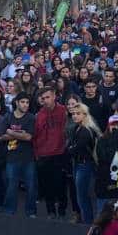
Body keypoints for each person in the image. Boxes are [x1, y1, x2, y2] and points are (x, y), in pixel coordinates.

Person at [33, 86, 68, 218]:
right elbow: (36, 136)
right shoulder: (39, 115)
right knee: (47, 185)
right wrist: (37, 154)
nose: (46, 100)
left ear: (54, 96)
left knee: (61, 183)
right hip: (43, 155)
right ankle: (51, 211)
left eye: (48, 97)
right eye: (43, 98)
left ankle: (63, 208)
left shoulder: (64, 111)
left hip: (60, 153)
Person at [0, 92, 37, 217]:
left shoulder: (31, 117)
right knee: (11, 186)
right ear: (17, 103)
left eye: (27, 102)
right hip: (12, 157)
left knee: (31, 186)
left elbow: (28, 137)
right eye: (23, 102)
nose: (25, 105)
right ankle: (9, 211)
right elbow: (1, 136)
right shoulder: (8, 117)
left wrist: (11, 131)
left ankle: (31, 212)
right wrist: (19, 133)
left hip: (28, 157)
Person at [68, 102, 101, 223]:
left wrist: (70, 148)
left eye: (78, 113)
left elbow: (75, 149)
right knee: (82, 196)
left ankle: (88, 223)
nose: (75, 116)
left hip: (85, 165)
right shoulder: (78, 128)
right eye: (73, 114)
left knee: (82, 197)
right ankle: (88, 221)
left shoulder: (85, 131)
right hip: (79, 164)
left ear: (84, 115)